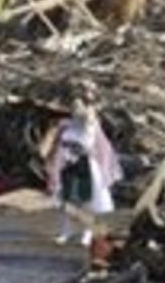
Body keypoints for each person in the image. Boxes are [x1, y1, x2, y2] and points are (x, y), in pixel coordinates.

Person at [43, 83, 122, 248]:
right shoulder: (67, 125)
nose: (74, 108)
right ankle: (66, 231)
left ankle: (86, 234)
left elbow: (90, 118)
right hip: (68, 164)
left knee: (86, 202)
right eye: (72, 106)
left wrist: (88, 96)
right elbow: (57, 143)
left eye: (77, 106)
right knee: (68, 201)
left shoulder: (90, 124)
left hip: (85, 166)